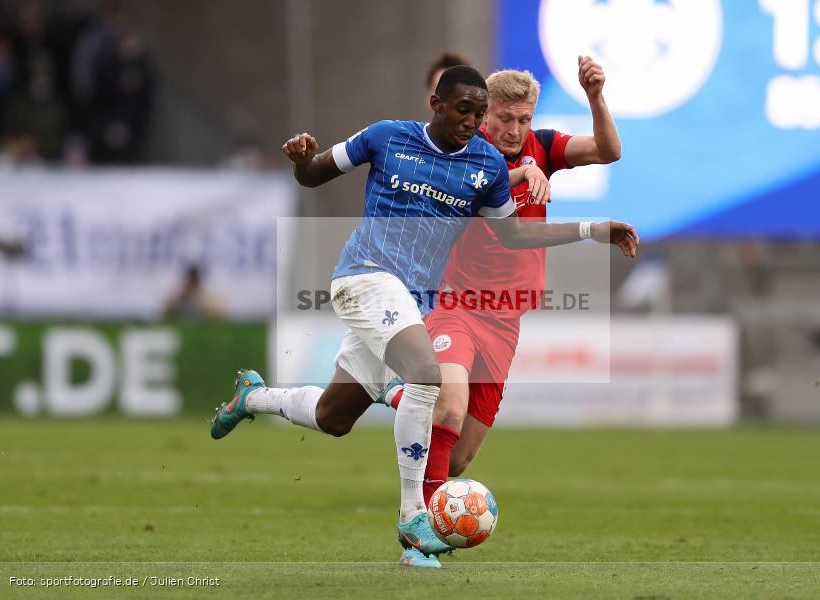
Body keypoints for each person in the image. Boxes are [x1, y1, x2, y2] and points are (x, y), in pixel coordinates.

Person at [209, 65, 639, 568]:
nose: (475, 122)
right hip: (364, 276)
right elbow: (315, 175)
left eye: (480, 113)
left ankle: (253, 396)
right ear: (435, 104)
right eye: (469, 112)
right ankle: (416, 519)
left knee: (334, 417)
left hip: (415, 301)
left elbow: (514, 236)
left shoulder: (487, 166)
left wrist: (591, 229)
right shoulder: (387, 136)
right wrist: (302, 160)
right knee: (425, 377)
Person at [379, 57, 623, 510]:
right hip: (454, 303)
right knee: (449, 408)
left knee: (457, 460)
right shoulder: (463, 153)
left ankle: (393, 393)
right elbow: (480, 188)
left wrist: (594, 96)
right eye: (504, 118)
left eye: (523, 119)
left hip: (505, 320)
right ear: (485, 115)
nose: (513, 129)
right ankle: (421, 527)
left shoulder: (543, 148)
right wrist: (523, 172)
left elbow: (609, 151)